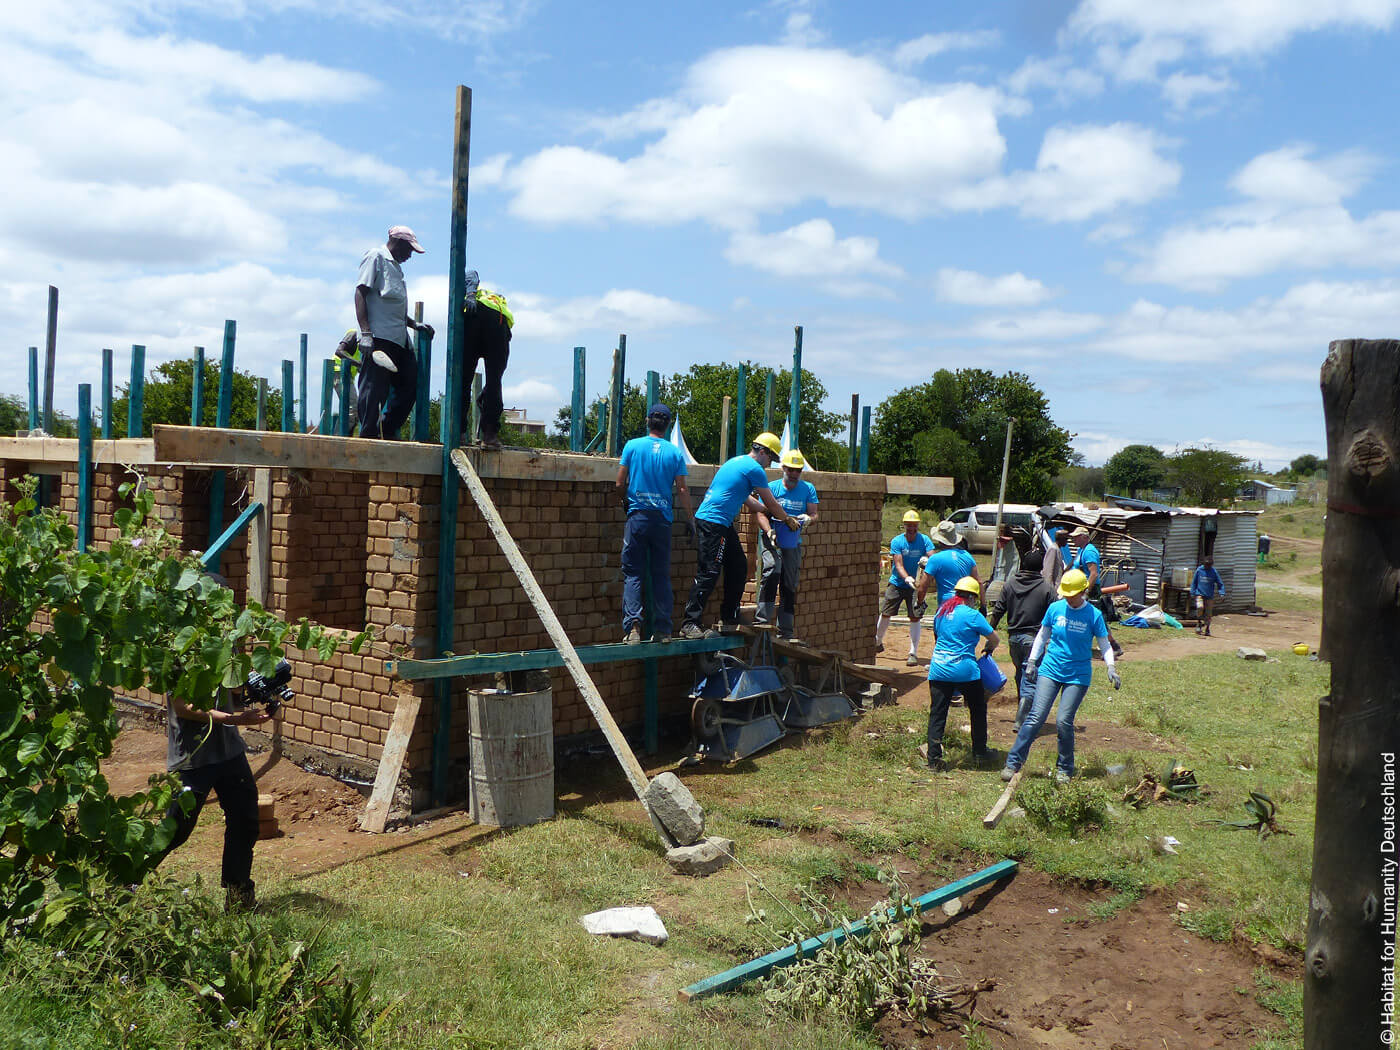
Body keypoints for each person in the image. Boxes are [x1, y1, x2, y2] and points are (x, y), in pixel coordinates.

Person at [155, 679, 272, 910]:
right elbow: (182, 707)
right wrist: (236, 720)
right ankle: (125, 882)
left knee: (244, 821)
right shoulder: (176, 648)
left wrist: (262, 687)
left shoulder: (227, 646)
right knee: (176, 829)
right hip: (193, 756)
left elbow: (234, 690)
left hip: (230, 752)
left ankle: (239, 897)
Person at [1002, 569, 1121, 785]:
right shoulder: (1055, 609)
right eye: (1066, 593)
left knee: (1064, 721)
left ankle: (1064, 769)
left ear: (1083, 591)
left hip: (1077, 675)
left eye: (1072, 594)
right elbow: (1042, 636)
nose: (1068, 597)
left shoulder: (1093, 615)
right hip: (1050, 669)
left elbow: (1104, 643)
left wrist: (1110, 667)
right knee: (1036, 717)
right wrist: (1031, 661)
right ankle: (1013, 762)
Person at [680, 432, 800, 639]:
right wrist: (787, 519)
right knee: (709, 571)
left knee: (738, 566)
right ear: (762, 452)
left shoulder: (737, 462)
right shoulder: (754, 469)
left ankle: (729, 616)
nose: (769, 463)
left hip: (721, 523)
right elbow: (770, 502)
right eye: (770, 458)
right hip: (712, 522)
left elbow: (748, 500)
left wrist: (767, 510)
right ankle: (690, 623)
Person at [616, 404, 693, 644]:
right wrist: (691, 519)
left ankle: (633, 629)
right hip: (662, 521)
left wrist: (626, 503)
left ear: (648, 420)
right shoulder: (674, 453)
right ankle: (663, 630)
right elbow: (681, 488)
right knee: (660, 575)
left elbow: (619, 484)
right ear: (668, 424)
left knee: (633, 573)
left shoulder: (632, 446)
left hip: (638, 517)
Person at [354, 226, 434, 440]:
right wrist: (366, 333)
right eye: (409, 250)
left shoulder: (396, 267)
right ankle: (368, 436)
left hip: (399, 339)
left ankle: (388, 430)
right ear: (398, 243)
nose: (410, 255)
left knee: (410, 384)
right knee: (374, 389)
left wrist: (414, 324)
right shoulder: (376, 257)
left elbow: (392, 306)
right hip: (379, 337)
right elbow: (361, 292)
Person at [924, 577, 997, 771]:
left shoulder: (941, 610)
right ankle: (980, 752)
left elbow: (937, 636)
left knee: (938, 713)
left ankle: (934, 760)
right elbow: (994, 638)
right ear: (972, 597)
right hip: (965, 671)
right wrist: (989, 647)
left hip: (939, 669)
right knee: (977, 709)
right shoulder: (973, 615)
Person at [754, 449, 819, 641]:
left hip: (792, 541)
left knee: (790, 583)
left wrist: (809, 519)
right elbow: (760, 514)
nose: (794, 474)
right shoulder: (772, 488)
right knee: (773, 569)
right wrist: (769, 531)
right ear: (783, 468)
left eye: (797, 470)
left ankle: (786, 629)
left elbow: (815, 514)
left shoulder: (807, 489)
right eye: (790, 470)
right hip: (772, 537)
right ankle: (762, 621)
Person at [988, 548, 1056, 731]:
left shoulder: (1009, 584)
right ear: (1041, 568)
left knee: (1020, 673)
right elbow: (1055, 617)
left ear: (1023, 565)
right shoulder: (1046, 588)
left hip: (1014, 640)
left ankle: (1022, 708)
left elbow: (997, 612)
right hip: (1034, 641)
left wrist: (989, 638)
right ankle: (1021, 719)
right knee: (1031, 678)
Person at [460, 272, 513, 450]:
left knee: (463, 379)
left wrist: (469, 295)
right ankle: (489, 435)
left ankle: (458, 432)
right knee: (494, 381)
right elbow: (472, 274)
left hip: (471, 320)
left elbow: (471, 273)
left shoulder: (470, 295)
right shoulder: (500, 306)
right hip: (496, 326)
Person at [875, 510, 935, 665]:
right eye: (909, 525)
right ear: (905, 526)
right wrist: (906, 577)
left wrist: (928, 560)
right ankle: (877, 642)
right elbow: (898, 563)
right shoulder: (897, 541)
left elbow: (932, 555)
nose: (912, 529)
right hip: (898, 583)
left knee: (915, 617)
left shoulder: (924, 540)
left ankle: (913, 653)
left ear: (917, 526)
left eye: (914, 526)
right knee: (886, 612)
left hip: (916, 585)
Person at [1065, 526, 1124, 657]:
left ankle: (1113, 646)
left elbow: (1093, 574)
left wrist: (1086, 593)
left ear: (1085, 537)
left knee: (1097, 618)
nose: (1073, 539)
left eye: (1076, 537)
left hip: (1089, 590)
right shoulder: (1081, 550)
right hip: (1080, 588)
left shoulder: (1089, 551)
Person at [922, 520, 979, 606]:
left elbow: (923, 585)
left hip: (946, 605)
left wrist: (919, 602)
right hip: (966, 603)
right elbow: (979, 581)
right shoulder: (967, 556)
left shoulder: (935, 559)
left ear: (939, 540)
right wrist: (983, 604)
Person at [1191, 556, 1226, 636]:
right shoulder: (1199, 570)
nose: (1207, 567)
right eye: (1206, 565)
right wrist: (1192, 592)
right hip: (1199, 593)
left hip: (1209, 595)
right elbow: (1194, 582)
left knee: (1209, 613)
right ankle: (1199, 623)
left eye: (1209, 566)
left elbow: (1220, 583)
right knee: (1200, 607)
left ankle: (1207, 628)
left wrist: (1222, 593)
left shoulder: (1213, 572)